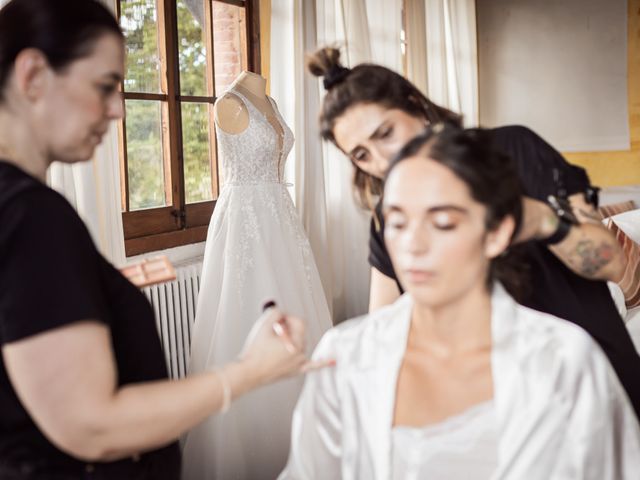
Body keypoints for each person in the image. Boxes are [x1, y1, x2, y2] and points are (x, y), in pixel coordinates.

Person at [0, 1, 325, 478]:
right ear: (32, 75)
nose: (117, 109)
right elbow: (92, 426)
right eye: (104, 86)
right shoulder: (32, 215)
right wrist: (250, 371)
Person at [280, 125, 640, 480]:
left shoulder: (565, 359)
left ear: (497, 232)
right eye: (398, 223)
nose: (413, 246)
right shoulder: (343, 356)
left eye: (443, 223)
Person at [306, 46, 640, 419]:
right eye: (361, 155)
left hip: (590, 385)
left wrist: (539, 220)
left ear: (416, 106)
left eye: (385, 133)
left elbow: (611, 263)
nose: (383, 161)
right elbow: (382, 326)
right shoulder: (390, 218)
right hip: (496, 409)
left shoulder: (516, 149)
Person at [182, 70, 332, 480]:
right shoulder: (229, 103)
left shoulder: (272, 102)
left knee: (298, 310)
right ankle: (248, 446)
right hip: (245, 220)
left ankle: (308, 440)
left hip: (281, 221)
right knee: (245, 311)